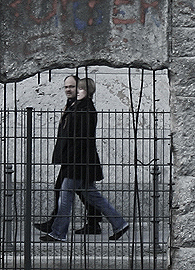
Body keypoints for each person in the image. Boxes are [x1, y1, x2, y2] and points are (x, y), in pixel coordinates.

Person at [41, 77, 129, 242]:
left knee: (65, 195)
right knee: (93, 196)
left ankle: (59, 233)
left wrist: (71, 160)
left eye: (80, 89)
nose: (76, 92)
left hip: (78, 162)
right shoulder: (78, 107)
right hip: (78, 162)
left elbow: (81, 139)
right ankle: (120, 223)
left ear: (87, 92)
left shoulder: (86, 109)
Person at [33, 75, 102, 235]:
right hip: (72, 158)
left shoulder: (82, 107)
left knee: (69, 189)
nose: (68, 90)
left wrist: (70, 155)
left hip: (78, 159)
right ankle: (93, 222)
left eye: (72, 86)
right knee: (83, 191)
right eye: (66, 87)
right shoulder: (71, 105)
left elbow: (81, 137)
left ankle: (57, 224)